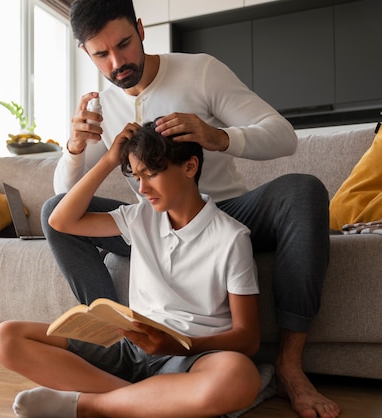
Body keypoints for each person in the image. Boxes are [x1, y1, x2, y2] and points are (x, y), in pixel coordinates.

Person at [40, 1, 340, 418]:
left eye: (124, 44)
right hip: (152, 222)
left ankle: (289, 367)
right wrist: (74, 150)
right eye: (101, 53)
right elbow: (64, 201)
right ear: (86, 54)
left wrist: (218, 136)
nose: (117, 61)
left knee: (302, 190)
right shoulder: (102, 108)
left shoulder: (200, 70)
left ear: (141, 29)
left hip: (231, 210)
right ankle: (116, 341)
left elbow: (283, 137)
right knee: (54, 213)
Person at [0, 121, 268, 418]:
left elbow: (247, 338)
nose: (142, 188)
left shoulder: (231, 238)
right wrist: (109, 160)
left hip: (191, 356)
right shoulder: (140, 217)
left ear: (190, 167)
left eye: (151, 174)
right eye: (136, 176)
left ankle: (90, 405)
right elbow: (60, 222)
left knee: (240, 377)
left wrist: (179, 346)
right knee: (5, 338)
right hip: (130, 346)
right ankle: (146, 403)